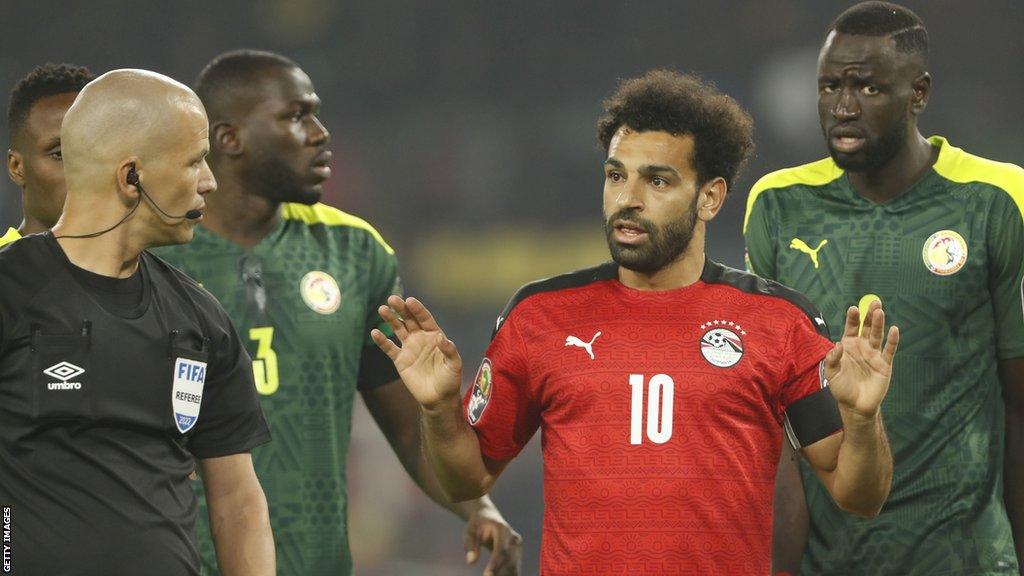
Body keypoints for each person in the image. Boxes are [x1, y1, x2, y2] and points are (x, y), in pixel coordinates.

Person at [371, 69, 899, 576]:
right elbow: (467, 477)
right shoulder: (540, 317)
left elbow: (860, 495)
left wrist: (862, 417)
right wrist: (440, 409)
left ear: (710, 197)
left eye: (659, 181)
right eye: (616, 175)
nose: (628, 199)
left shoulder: (779, 323)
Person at [153, 50, 521, 576]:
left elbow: (404, 429)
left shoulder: (353, 251)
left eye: (317, 114)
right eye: (295, 117)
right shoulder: (150, 252)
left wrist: (477, 506)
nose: (321, 133)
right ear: (228, 139)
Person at [744, 3, 1024, 575]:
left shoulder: (998, 198)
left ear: (918, 94)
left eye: (868, 88)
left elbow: (1020, 399)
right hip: (825, 562)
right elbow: (771, 426)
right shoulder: (777, 206)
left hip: (964, 560)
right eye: (828, 87)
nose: (842, 107)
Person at [0, 69, 275, 575]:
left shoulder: (201, 318)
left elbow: (237, 500)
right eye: (195, 161)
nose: (210, 181)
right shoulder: (11, 290)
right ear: (132, 177)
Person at [2, 62, 94, 246]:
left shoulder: (150, 269)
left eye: (94, 150)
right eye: (59, 154)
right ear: (16, 168)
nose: (85, 169)